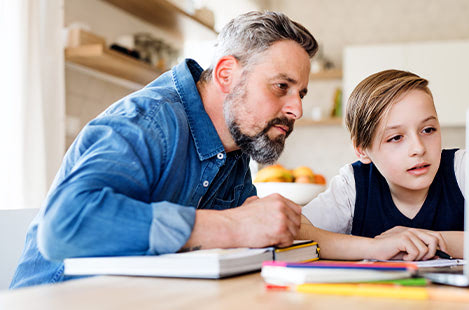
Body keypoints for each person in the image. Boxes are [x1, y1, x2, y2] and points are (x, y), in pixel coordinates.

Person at [11, 11, 318, 288]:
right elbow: (64, 226)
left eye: (300, 94)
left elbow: (258, 230)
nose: (297, 109)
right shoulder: (149, 120)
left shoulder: (236, 143)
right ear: (226, 74)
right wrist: (233, 226)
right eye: (281, 86)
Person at [298, 70, 465, 261]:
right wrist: (374, 247)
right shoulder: (353, 185)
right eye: (396, 138)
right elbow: (297, 231)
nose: (418, 148)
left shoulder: (463, 169)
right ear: (362, 149)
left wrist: (428, 240)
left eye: (428, 130)